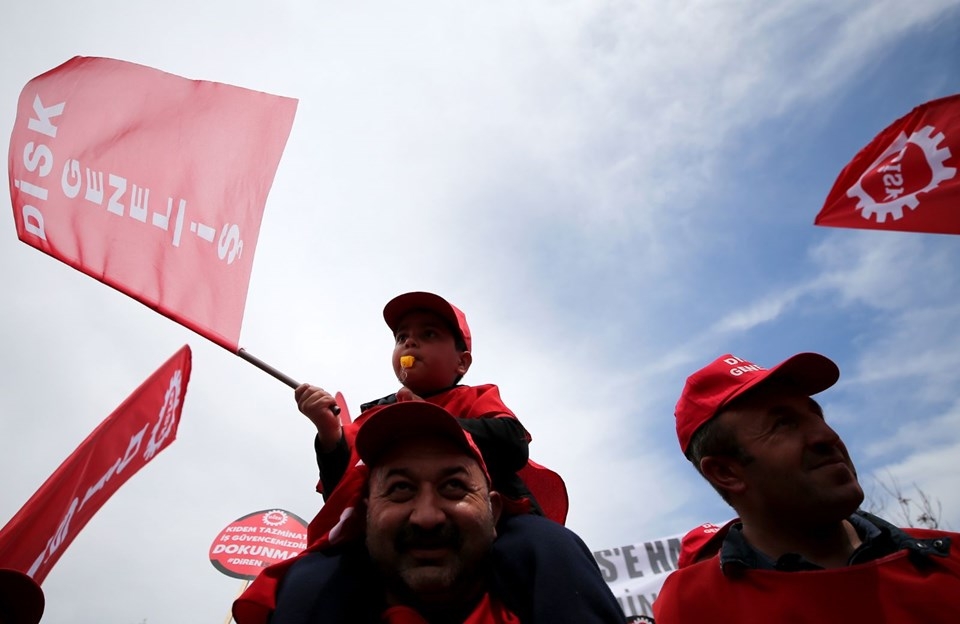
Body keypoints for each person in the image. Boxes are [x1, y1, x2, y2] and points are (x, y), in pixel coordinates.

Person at [233, 294, 623, 623]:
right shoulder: (374, 415)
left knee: (552, 550)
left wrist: (440, 418)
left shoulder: (477, 397)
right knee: (310, 581)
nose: (410, 344)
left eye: (428, 335)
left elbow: (512, 444)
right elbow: (339, 494)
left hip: (496, 529)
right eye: (402, 337)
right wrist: (330, 436)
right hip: (376, 541)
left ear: (461, 362)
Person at [653, 352, 960, 622]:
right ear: (725, 472)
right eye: (783, 424)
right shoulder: (690, 606)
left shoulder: (951, 558)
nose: (826, 436)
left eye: (817, 415)